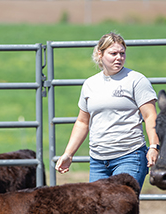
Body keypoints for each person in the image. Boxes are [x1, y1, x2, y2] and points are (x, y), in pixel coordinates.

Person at [55, 32, 160, 189]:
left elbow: (150, 115)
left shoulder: (136, 80)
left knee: (120, 206)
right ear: (100, 54)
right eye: (113, 53)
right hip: (98, 161)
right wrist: (68, 154)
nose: (119, 57)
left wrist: (153, 147)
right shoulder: (90, 84)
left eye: (122, 53)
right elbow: (83, 122)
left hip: (130, 156)